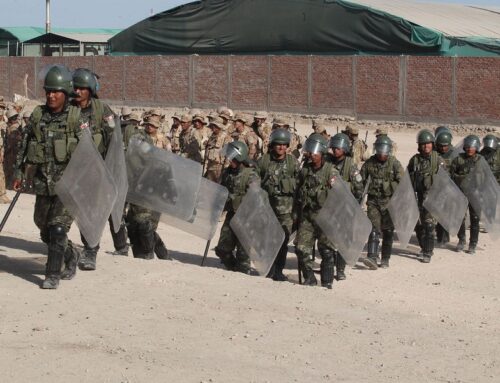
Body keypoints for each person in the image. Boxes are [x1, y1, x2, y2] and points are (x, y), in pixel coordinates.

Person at [13, 65, 82, 289]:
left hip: (68, 185)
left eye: (56, 91)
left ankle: (52, 274)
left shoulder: (76, 118)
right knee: (43, 227)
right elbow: (25, 145)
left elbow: (90, 154)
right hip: (43, 182)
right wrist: (19, 172)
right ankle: (71, 254)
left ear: (66, 93)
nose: (51, 95)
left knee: (58, 227)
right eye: (48, 91)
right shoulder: (38, 115)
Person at [69, 67, 126, 271]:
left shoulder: (102, 110)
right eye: (75, 87)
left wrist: (112, 170)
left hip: (97, 171)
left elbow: (114, 141)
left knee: (95, 211)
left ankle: (91, 250)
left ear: (91, 90)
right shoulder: (67, 110)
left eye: (82, 88)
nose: (77, 91)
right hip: (73, 171)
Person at [295, 133, 340, 289]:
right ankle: (310, 277)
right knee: (301, 248)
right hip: (308, 216)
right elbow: (298, 189)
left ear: (322, 153)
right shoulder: (305, 170)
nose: (313, 155)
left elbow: (339, 195)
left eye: (316, 153)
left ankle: (327, 282)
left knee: (326, 251)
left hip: (326, 217)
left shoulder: (331, 171)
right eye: (311, 152)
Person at [257, 128, 300, 281]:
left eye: (284, 145)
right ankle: (268, 268)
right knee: (267, 239)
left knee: (282, 241)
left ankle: (279, 270)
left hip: (286, 211)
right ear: (273, 145)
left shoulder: (293, 162)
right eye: (278, 144)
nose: (281, 147)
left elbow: (300, 185)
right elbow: (255, 178)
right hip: (267, 208)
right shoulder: (264, 160)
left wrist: (297, 212)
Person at [125, 128, 171, 261]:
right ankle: (160, 254)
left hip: (151, 200)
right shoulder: (131, 160)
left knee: (144, 225)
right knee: (133, 226)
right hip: (135, 198)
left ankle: (149, 253)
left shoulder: (155, 162)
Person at [215, 141, 260, 273]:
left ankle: (242, 273)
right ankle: (234, 268)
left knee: (243, 253)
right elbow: (221, 190)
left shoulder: (251, 174)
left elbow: (256, 198)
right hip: (231, 215)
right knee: (222, 249)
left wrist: (236, 199)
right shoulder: (227, 173)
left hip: (246, 218)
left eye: (232, 158)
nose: (229, 160)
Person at [360, 136, 404, 269]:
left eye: (384, 151)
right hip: (373, 201)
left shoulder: (394, 163)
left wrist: (388, 186)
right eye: (379, 150)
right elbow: (361, 180)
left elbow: (402, 183)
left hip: (389, 203)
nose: (381, 154)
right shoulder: (369, 163)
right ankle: (372, 256)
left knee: (388, 231)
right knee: (373, 229)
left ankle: (385, 258)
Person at [328, 133, 364, 277]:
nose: (335, 150)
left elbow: (359, 188)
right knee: (329, 238)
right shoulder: (327, 163)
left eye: (338, 148)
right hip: (330, 206)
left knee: (343, 239)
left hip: (345, 207)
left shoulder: (350, 166)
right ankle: (329, 267)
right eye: (334, 148)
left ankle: (340, 270)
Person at [407, 129, 443, 263]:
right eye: (423, 144)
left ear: (432, 144)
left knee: (429, 225)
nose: (425, 146)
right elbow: (407, 177)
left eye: (428, 143)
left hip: (433, 198)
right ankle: (423, 248)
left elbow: (446, 180)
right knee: (418, 225)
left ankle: (428, 252)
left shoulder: (438, 160)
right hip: (418, 197)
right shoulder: (414, 160)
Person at [449, 135, 483, 254]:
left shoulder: (480, 160)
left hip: (475, 194)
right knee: (460, 218)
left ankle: (473, 243)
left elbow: (485, 178)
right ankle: (461, 240)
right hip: (461, 193)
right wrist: (463, 179)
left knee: (474, 219)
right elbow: (451, 176)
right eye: (467, 147)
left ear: (477, 147)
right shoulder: (458, 159)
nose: (469, 149)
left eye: (472, 147)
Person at [434, 130, 454, 246]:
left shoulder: (454, 154)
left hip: (450, 188)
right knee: (438, 213)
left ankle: (445, 237)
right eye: (441, 146)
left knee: (447, 213)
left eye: (445, 145)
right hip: (437, 188)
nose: (443, 148)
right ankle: (439, 235)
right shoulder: (434, 154)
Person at [204, 116, 232, 182]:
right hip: (210, 165)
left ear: (219, 126)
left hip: (219, 167)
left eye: (215, 126)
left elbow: (227, 154)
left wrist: (225, 168)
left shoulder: (225, 137)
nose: (213, 128)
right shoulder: (212, 136)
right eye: (213, 126)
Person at [3, 109, 22, 188]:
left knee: (10, 169)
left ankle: (10, 185)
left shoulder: (14, 129)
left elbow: (10, 143)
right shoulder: (18, 127)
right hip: (15, 151)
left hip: (12, 152)